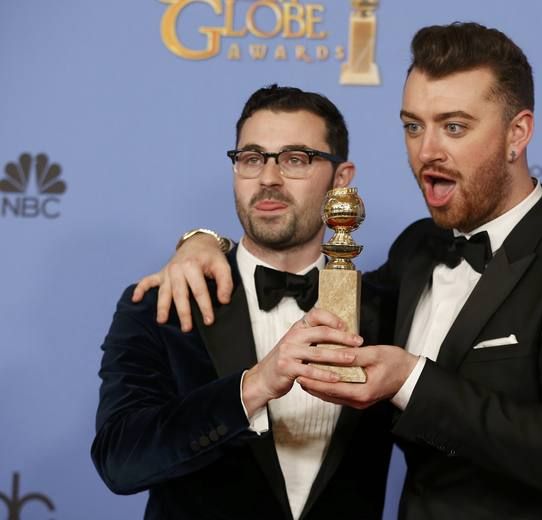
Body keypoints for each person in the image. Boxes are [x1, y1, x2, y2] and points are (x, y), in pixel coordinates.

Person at [135, 23, 542, 520]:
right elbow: (311, 281)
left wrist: (410, 380)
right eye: (413, 126)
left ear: (518, 133)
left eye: (454, 126)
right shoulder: (418, 249)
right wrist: (203, 242)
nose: (427, 152)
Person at [91, 85, 395, 520]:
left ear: (340, 178)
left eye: (295, 158)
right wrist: (252, 388)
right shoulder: (166, 303)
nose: (268, 178)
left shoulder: (389, 306)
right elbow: (120, 462)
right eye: (252, 158)